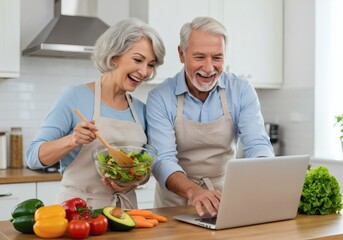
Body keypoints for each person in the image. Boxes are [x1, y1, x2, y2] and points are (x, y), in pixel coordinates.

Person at [26, 18, 165, 209]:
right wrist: (72, 140)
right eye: (138, 60)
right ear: (113, 56)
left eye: (151, 64)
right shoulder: (74, 97)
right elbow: (33, 157)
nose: (144, 71)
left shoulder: (142, 110)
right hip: (77, 211)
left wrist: (133, 182)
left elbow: (145, 170)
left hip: (125, 212)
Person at [146, 16, 274, 217]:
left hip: (224, 200)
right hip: (173, 204)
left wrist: (263, 171)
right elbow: (162, 159)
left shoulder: (241, 90)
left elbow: (257, 143)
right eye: (199, 57)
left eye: (217, 57)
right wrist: (194, 191)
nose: (208, 68)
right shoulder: (160, 97)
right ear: (181, 53)